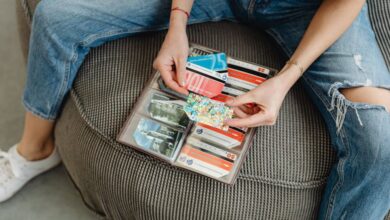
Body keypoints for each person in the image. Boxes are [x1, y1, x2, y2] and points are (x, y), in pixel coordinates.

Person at [1, 0, 389, 219]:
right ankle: (35, 151)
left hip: (307, 10)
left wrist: (287, 77)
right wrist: (177, 22)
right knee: (55, 17)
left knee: (382, 140)